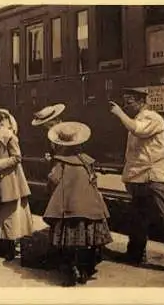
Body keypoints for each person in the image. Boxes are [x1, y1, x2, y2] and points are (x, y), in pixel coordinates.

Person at [109, 88, 164, 278]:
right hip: (139, 178)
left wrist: (119, 114)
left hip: (155, 177)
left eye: (128, 102)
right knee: (137, 219)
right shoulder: (136, 120)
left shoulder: (152, 118)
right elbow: (134, 154)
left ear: (141, 101)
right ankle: (135, 255)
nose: (124, 106)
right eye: (123, 103)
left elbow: (138, 130)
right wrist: (128, 177)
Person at [42, 122, 113, 286]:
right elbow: (94, 180)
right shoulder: (87, 161)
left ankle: (71, 269)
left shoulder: (60, 161)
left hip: (69, 207)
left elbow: (53, 179)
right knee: (87, 243)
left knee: (69, 243)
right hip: (90, 207)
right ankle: (85, 269)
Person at [0, 107, 33, 261]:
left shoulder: (8, 136)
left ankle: (10, 248)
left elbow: (17, 158)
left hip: (10, 180)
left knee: (10, 214)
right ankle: (1, 246)